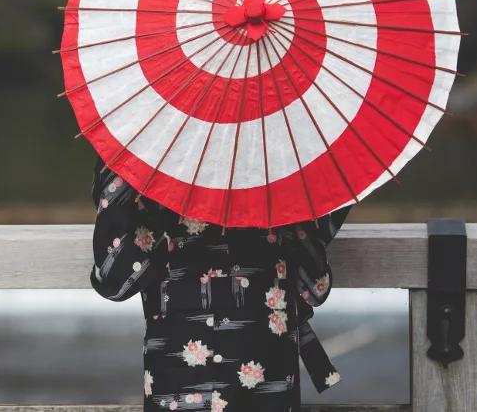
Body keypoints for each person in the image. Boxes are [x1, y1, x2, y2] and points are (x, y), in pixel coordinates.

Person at [89, 155, 351, 411]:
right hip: (263, 353)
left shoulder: (154, 147)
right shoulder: (277, 150)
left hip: (180, 353)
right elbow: (314, 287)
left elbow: (116, 278)